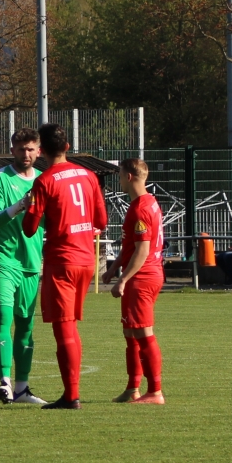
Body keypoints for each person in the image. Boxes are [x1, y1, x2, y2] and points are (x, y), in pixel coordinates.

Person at [22, 123, 107, 409]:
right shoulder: (89, 176)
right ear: (68, 147)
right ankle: (71, 393)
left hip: (63, 260)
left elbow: (30, 227)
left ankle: (71, 396)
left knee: (65, 328)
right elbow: (102, 222)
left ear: (42, 150)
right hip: (86, 259)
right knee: (71, 326)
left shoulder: (44, 181)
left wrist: (29, 207)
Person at [0, 129, 45, 404]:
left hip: (31, 262)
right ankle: (5, 383)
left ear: (39, 151)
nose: (26, 154)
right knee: (3, 320)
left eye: (31, 149)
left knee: (26, 327)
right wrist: (19, 206)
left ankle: (22, 389)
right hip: (3, 259)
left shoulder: (45, 181)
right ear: (12, 150)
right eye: (21, 149)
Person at [105, 157, 166, 404]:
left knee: (143, 333)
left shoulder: (140, 209)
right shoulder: (148, 202)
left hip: (142, 276)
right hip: (144, 273)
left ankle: (155, 392)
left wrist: (123, 279)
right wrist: (115, 267)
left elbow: (142, 250)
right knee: (130, 332)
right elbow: (131, 245)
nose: (119, 180)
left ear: (128, 177)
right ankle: (133, 389)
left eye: (120, 176)